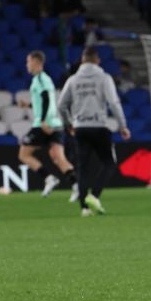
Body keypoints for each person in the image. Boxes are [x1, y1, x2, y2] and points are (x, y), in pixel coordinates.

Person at [57, 46, 130, 216]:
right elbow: (113, 103)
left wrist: (69, 124)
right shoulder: (104, 78)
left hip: (80, 128)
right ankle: (94, 195)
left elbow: (61, 105)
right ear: (97, 60)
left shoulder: (73, 80)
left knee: (83, 168)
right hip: (99, 126)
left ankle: (84, 208)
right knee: (108, 162)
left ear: (82, 60)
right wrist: (122, 125)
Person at [18, 50, 78, 198]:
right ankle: (77, 185)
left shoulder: (40, 79)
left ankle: (49, 178)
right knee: (58, 157)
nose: (27, 65)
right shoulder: (44, 79)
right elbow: (44, 102)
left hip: (43, 124)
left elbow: (45, 99)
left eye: (28, 61)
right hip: (55, 123)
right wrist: (29, 105)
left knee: (24, 154)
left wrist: (44, 120)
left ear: (36, 62)